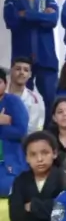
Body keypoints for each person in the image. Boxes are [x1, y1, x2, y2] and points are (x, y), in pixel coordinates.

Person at [0, 131, 66, 221]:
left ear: (54, 153)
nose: (40, 159)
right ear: (26, 158)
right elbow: (16, 218)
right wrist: (47, 209)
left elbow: (64, 211)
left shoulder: (63, 178)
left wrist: (34, 206)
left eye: (45, 153)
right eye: (33, 154)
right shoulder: (21, 180)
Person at [3, 0, 59, 121]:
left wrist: (25, 14)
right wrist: (41, 16)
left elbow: (52, 20)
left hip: (46, 58)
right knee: (19, 99)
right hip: (22, 58)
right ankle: (22, 129)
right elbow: (11, 21)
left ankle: (49, 132)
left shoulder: (47, 0)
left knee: (50, 99)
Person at [0, 67, 29, 197]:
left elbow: (21, 131)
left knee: (6, 187)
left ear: (5, 84)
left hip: (9, 159)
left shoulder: (13, 102)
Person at [8, 57, 45, 132]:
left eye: (26, 70)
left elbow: (37, 127)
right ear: (11, 71)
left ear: (30, 74)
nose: (22, 72)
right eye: (18, 69)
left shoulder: (36, 99)